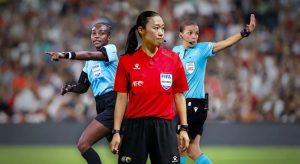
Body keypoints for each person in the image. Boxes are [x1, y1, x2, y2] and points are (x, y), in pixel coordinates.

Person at [172, 14, 256, 164]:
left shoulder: (202, 49)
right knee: (192, 150)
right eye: (190, 33)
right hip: (186, 104)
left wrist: (244, 32)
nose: (194, 36)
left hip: (194, 104)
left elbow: (226, 43)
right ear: (181, 35)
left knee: (179, 146)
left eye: (196, 33)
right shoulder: (175, 51)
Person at [110, 11, 190, 164]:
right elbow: (121, 98)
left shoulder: (173, 59)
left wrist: (184, 128)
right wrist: (116, 132)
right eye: (156, 28)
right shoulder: (126, 61)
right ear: (141, 30)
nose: (161, 33)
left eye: (163, 28)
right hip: (135, 128)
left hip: (165, 128)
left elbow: (179, 95)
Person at [46, 22, 118, 164]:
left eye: (101, 33)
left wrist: (64, 55)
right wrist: (70, 88)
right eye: (93, 33)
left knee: (83, 144)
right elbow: (83, 86)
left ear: (108, 37)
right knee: (122, 149)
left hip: (114, 103)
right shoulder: (89, 63)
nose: (97, 36)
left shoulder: (110, 49)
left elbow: (90, 54)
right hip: (101, 105)